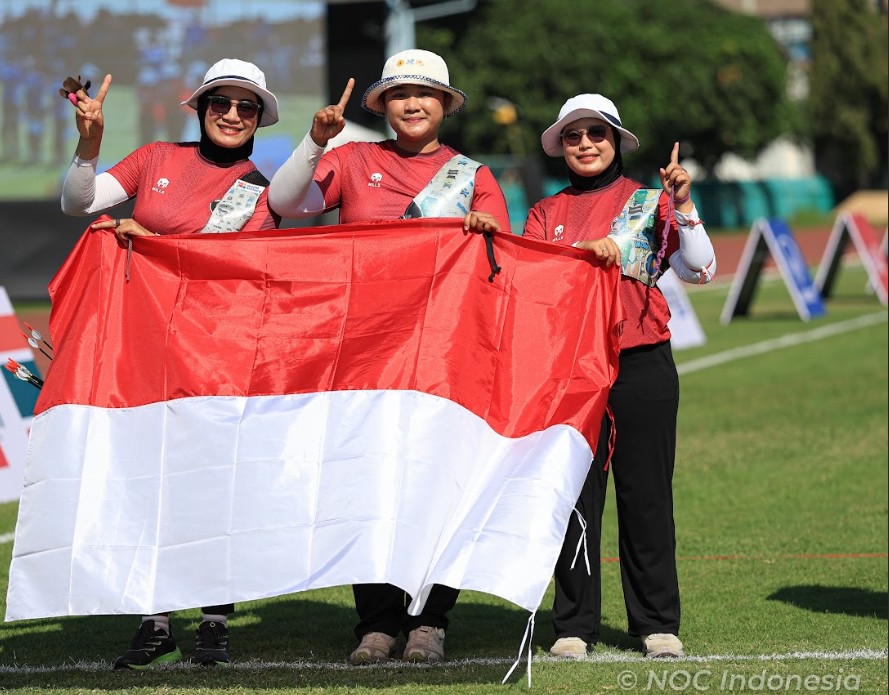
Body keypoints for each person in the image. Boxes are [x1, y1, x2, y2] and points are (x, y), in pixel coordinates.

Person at [268, 48, 511, 665]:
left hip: (442, 360)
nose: (411, 103)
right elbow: (284, 204)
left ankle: (430, 620)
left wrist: (489, 235)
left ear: (446, 105)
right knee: (367, 484)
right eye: (399, 93)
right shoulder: (350, 159)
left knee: (437, 485)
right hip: (362, 354)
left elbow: (505, 267)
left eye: (425, 93)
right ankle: (376, 623)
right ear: (382, 105)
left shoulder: (474, 175)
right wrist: (315, 142)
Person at [59, 57, 281, 669]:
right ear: (201, 107)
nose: (232, 115)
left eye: (245, 107)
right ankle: (154, 618)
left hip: (220, 351)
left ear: (260, 117)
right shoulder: (156, 157)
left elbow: (239, 270)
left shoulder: (260, 192)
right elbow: (78, 202)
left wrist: (158, 245)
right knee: (148, 481)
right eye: (220, 102)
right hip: (143, 347)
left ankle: (214, 621)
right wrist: (90, 144)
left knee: (215, 486)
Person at [523, 94, 716, 660]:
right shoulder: (542, 215)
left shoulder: (650, 202)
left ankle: (656, 623)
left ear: (616, 141)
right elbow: (532, 291)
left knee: (646, 498)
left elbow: (701, 268)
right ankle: (573, 627)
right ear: (560, 145)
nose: (585, 144)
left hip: (641, 364)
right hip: (570, 371)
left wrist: (681, 202)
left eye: (596, 134)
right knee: (575, 501)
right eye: (574, 135)